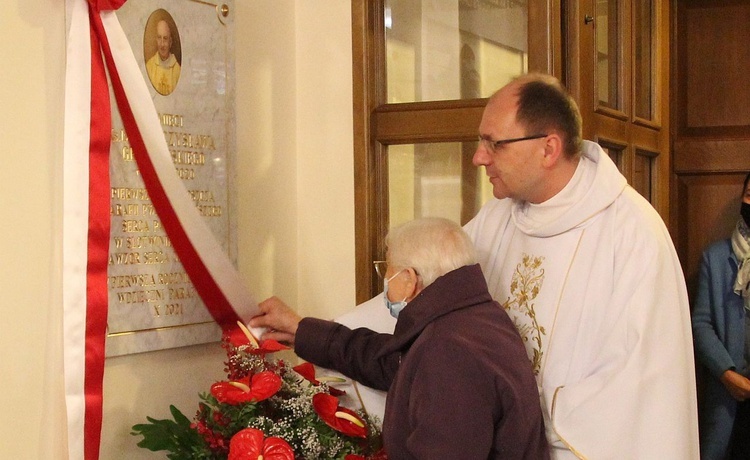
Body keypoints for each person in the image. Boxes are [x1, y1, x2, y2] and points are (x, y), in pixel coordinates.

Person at [256, 73, 700, 458]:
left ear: (548, 148)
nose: (479, 157)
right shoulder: (497, 219)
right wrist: (305, 329)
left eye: (494, 143)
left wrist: (511, 414)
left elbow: (643, 395)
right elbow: (415, 315)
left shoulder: (631, 235)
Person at [251, 217, 549, 459]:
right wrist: (301, 329)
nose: (386, 283)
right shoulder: (472, 319)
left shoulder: (449, 350)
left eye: (387, 270)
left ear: (409, 278)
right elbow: (387, 360)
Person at [692, 172, 750, 459]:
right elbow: (701, 324)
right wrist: (726, 373)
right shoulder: (715, 258)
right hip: (728, 396)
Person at [145, 19, 181, 95]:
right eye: (159, 38)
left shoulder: (177, 70)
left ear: (170, 42)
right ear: (156, 40)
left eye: (165, 38)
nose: (162, 44)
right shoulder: (150, 65)